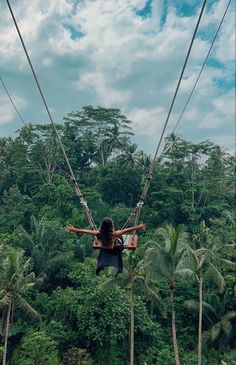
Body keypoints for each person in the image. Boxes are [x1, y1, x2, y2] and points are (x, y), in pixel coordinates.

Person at [66, 217, 145, 276]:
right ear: (111, 227)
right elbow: (126, 230)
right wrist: (139, 227)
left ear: (102, 226)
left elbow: (85, 231)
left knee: (113, 241)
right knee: (120, 240)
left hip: (104, 250)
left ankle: (100, 267)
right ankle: (119, 269)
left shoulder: (98, 234)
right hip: (114, 250)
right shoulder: (114, 234)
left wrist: (74, 229)